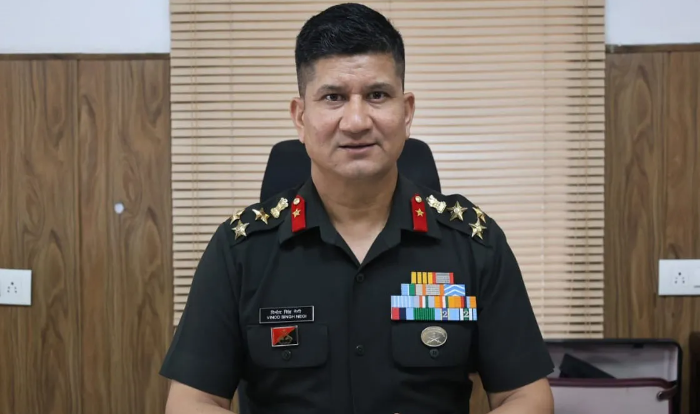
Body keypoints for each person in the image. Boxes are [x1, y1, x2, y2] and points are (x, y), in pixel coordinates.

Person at [160, 3, 555, 413]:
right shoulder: (240, 250)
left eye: (377, 95)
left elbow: (526, 396)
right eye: (333, 97)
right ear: (300, 117)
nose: (356, 121)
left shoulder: (473, 244)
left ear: (407, 112)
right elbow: (192, 401)